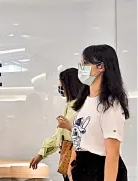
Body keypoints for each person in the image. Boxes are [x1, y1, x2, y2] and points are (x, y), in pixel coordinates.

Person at [68, 45, 129, 181]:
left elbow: (112, 155)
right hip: (82, 168)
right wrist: (71, 167)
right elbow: (78, 137)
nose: (81, 68)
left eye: (84, 63)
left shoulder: (110, 105)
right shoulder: (85, 101)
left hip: (100, 171)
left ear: (101, 67)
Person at [29, 68, 83, 181]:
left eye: (61, 86)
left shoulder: (82, 107)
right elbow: (59, 136)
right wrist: (41, 154)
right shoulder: (69, 106)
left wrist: (68, 127)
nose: (60, 89)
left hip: (79, 160)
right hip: (67, 157)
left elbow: (87, 135)